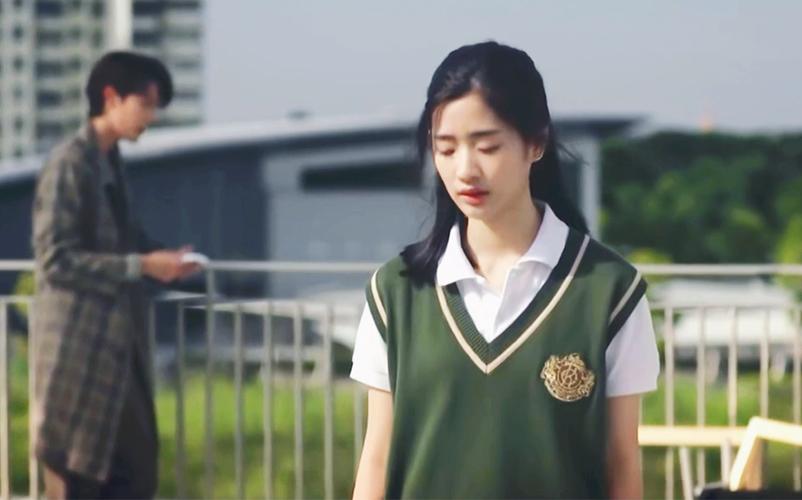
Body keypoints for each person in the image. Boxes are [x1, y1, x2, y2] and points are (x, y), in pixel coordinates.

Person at [350, 41, 660, 499]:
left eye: (487, 147)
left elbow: (622, 463)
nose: (465, 170)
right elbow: (377, 456)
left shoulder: (610, 292)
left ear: (536, 143)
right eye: (446, 149)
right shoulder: (394, 292)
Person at [31, 51, 200, 499]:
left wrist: (162, 259)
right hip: (78, 353)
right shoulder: (70, 163)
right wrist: (143, 265)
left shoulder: (110, 160)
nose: (150, 117)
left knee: (135, 472)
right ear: (111, 98)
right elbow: (56, 259)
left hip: (117, 349)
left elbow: (124, 237)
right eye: (145, 104)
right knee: (76, 473)